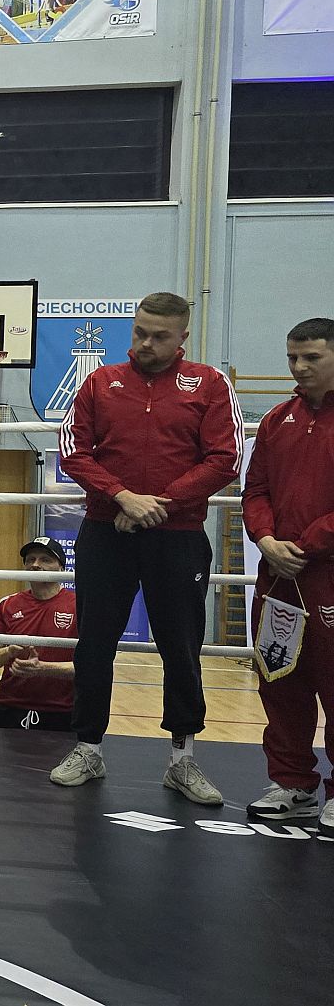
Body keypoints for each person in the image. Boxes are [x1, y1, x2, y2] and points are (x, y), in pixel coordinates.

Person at [51, 291, 242, 804]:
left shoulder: (209, 383)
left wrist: (158, 504)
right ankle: (88, 747)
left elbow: (225, 459)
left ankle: (182, 759)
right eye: (140, 333)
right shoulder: (100, 381)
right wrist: (122, 496)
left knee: (181, 645)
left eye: (159, 336)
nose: (146, 344)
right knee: (95, 643)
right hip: (106, 531)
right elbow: (72, 451)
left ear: (183, 337)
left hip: (177, 537)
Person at [240, 318, 334, 825]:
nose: (299, 368)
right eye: (293, 358)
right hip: (278, 573)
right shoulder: (279, 419)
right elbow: (255, 490)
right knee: (280, 679)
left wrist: (308, 543)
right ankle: (293, 784)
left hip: (327, 571)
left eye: (311, 358)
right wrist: (265, 539)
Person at [0, 537, 77, 732]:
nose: (36, 565)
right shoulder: (7, 605)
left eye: (45, 559)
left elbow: (93, 668)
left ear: (62, 568)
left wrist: (43, 668)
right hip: (10, 708)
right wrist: (8, 653)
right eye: (30, 559)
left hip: (62, 712)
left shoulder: (80, 606)